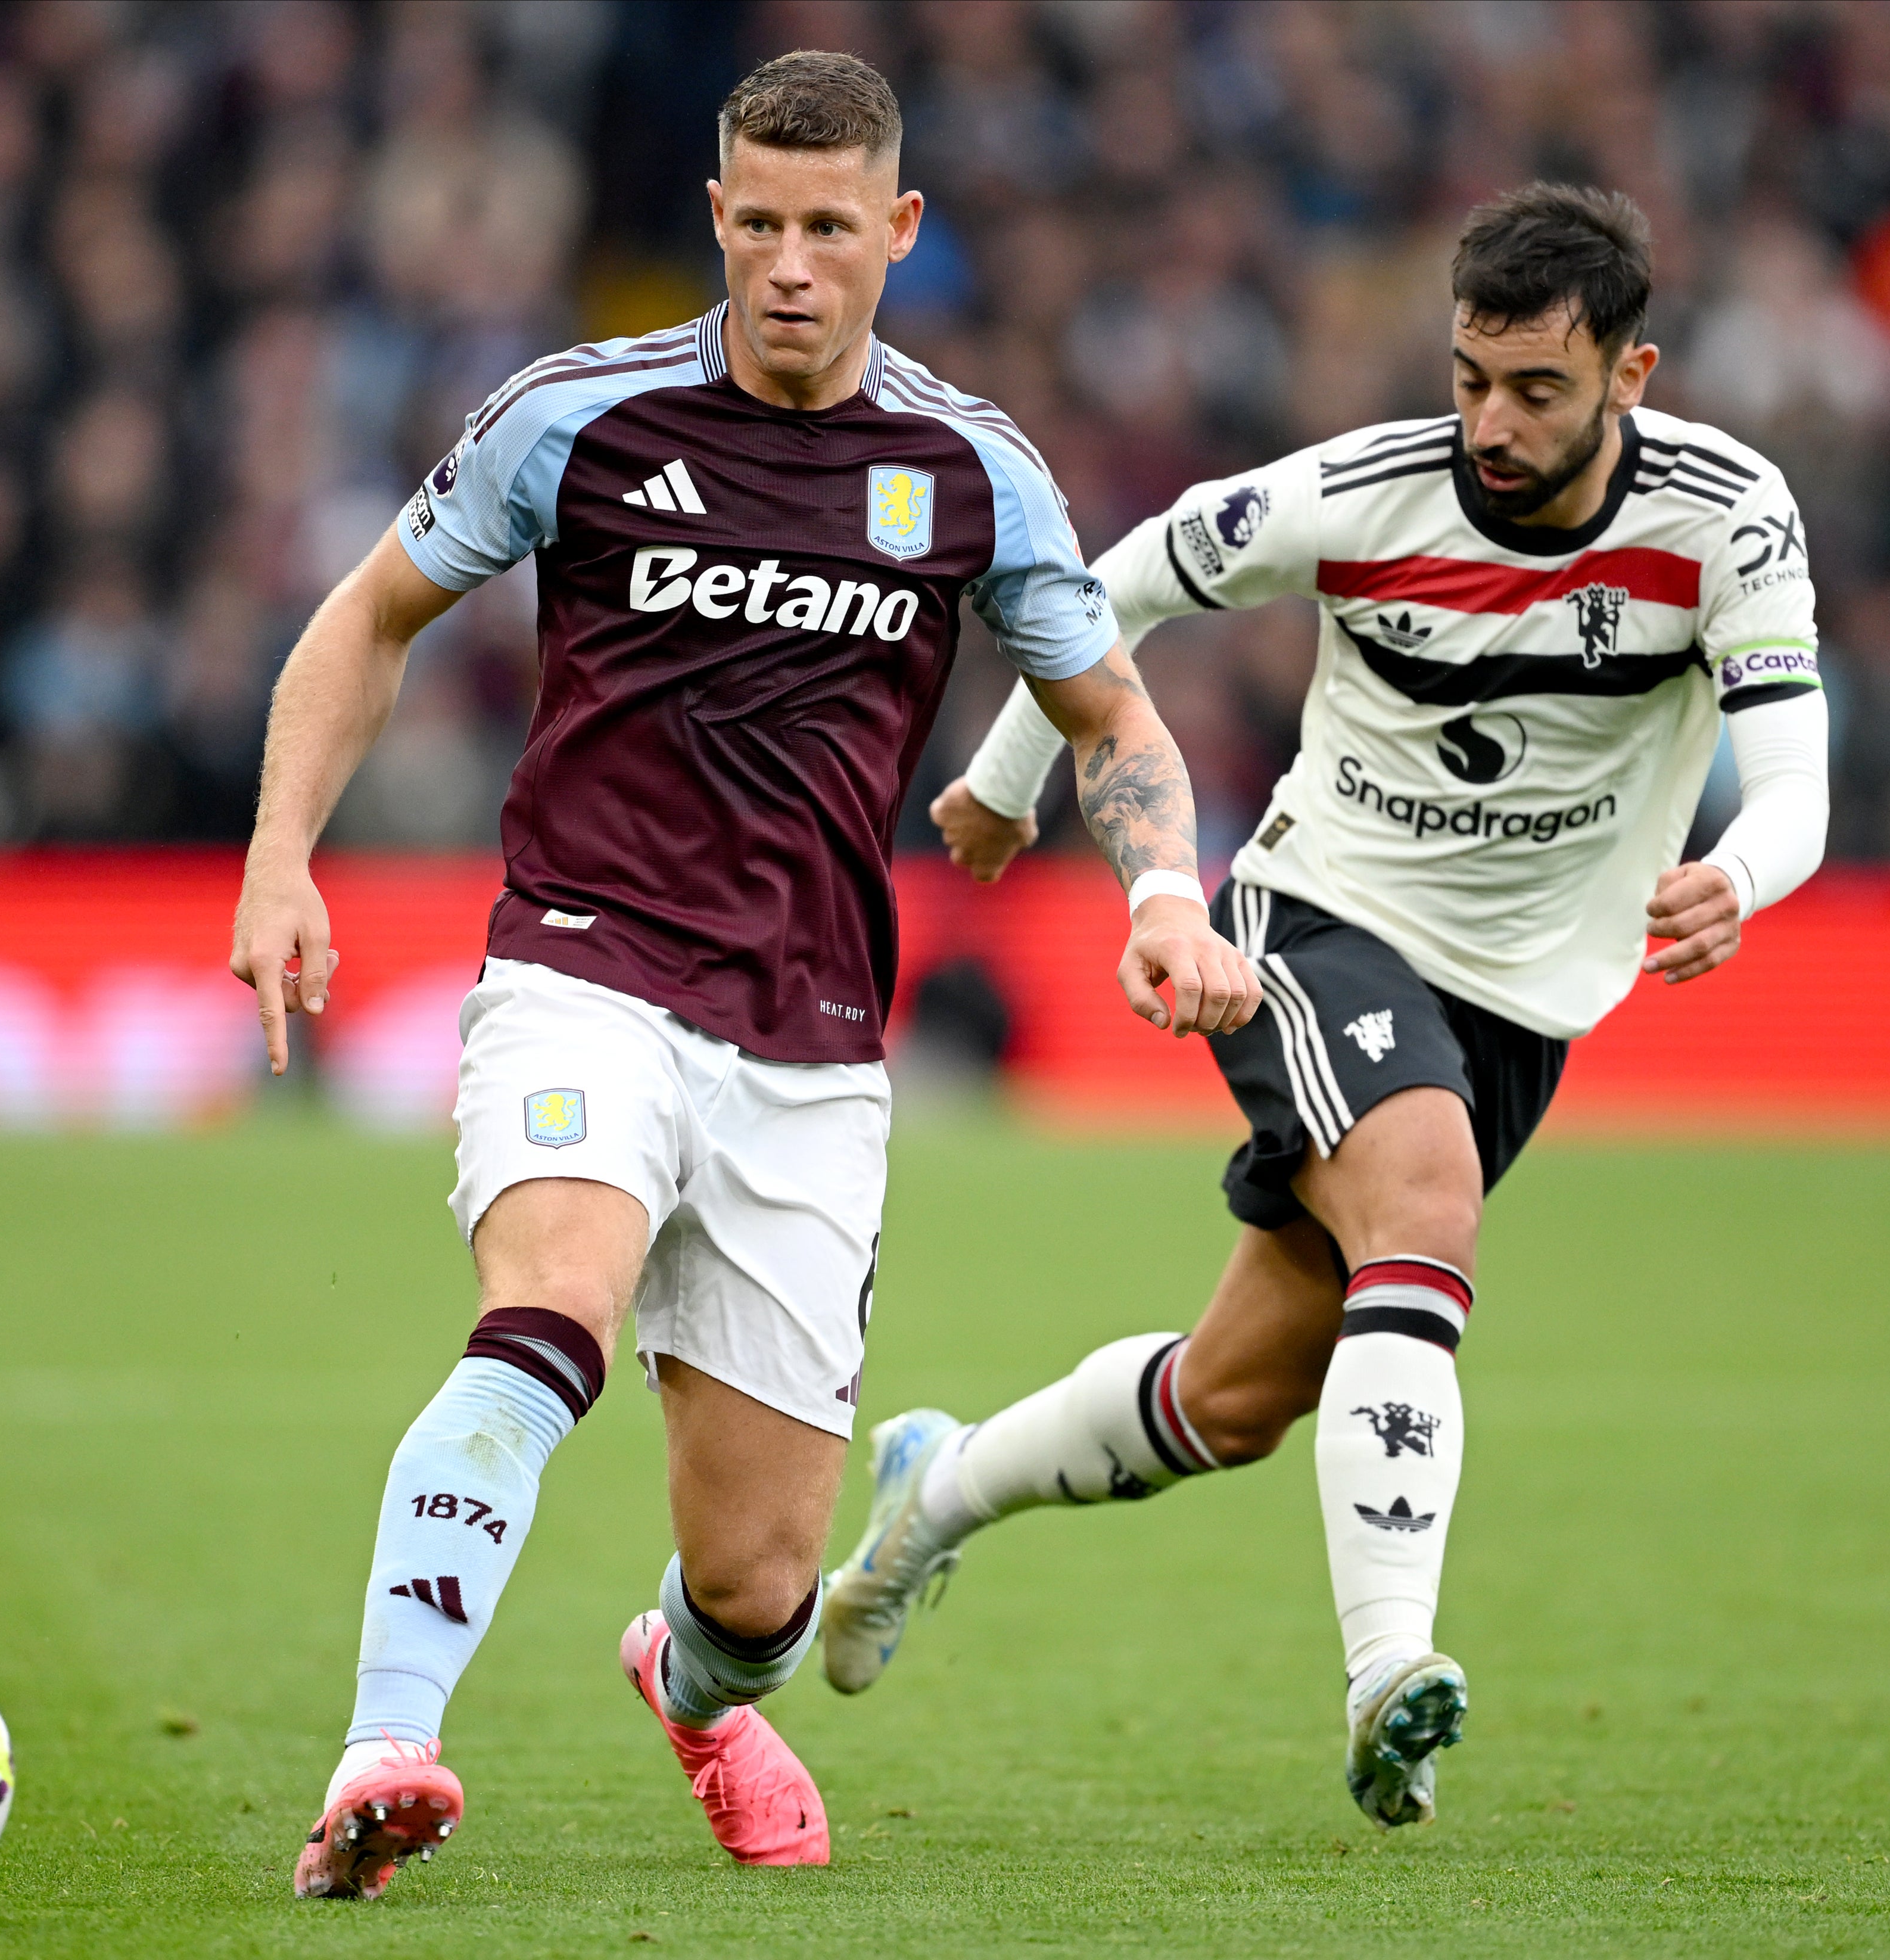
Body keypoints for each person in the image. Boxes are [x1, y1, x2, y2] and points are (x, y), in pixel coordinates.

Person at [228, 51, 1258, 1902]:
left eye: (832, 229)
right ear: (717, 216)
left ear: (900, 232)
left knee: (762, 1584)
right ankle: (389, 1744)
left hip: (810, 1040)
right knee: (551, 1307)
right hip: (584, 968)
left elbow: (1110, 711)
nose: (792, 264)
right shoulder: (579, 417)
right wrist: (284, 849)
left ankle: (695, 1690)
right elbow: (370, 616)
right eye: (760, 224)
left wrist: (1166, 889)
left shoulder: (969, 469)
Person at [822, 183, 1833, 1833]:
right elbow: (1123, 578)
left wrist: (1748, 868)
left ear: (1632, 376)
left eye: (1538, 391)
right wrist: (1008, 779)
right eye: (1469, 378)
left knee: (1231, 1398)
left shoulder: (1731, 515)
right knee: (1422, 1207)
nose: (1490, 425)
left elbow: (1796, 777)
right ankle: (1389, 1676)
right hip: (1325, 916)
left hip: (1525, 1004)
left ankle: (936, 1491)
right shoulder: (1366, 493)